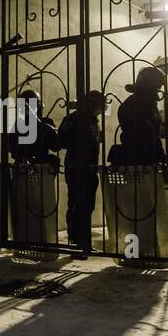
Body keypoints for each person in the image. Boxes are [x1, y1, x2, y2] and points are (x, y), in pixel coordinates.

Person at [57, 90, 105, 255]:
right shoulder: (73, 119)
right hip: (76, 168)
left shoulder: (93, 121)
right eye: (99, 105)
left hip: (90, 169)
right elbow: (60, 141)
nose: (101, 108)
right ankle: (75, 243)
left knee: (87, 206)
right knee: (77, 205)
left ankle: (84, 243)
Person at [109, 65, 168, 166]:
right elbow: (148, 134)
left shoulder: (131, 104)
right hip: (142, 158)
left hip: (138, 156)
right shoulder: (142, 105)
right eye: (157, 87)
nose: (158, 92)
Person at [8, 88, 59, 166]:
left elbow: (56, 146)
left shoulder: (46, 122)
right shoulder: (19, 124)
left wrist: (40, 125)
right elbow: (11, 149)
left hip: (40, 167)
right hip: (23, 167)